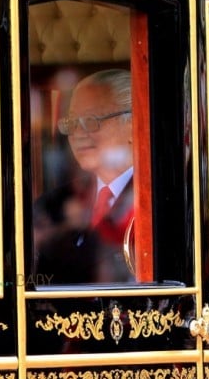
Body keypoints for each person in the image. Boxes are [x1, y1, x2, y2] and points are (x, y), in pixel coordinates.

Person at [34, 68, 135, 284]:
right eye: (71, 124)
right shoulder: (55, 205)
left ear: (133, 124)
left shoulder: (169, 201)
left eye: (91, 121)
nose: (78, 135)